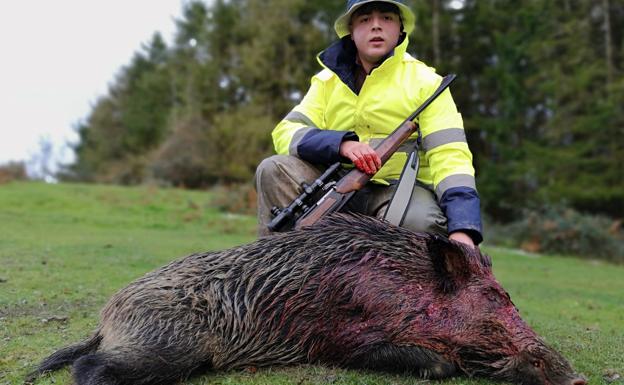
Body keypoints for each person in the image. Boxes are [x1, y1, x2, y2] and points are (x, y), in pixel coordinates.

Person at [254, 0, 482, 247]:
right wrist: (342, 145)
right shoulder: (327, 81)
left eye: (386, 18)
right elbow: (286, 133)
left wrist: (464, 230)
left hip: (401, 191)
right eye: (365, 19)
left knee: (419, 220)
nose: (376, 26)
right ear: (351, 31)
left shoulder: (428, 83)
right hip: (337, 184)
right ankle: (275, 275)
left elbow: (451, 159)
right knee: (272, 169)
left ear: (400, 29)